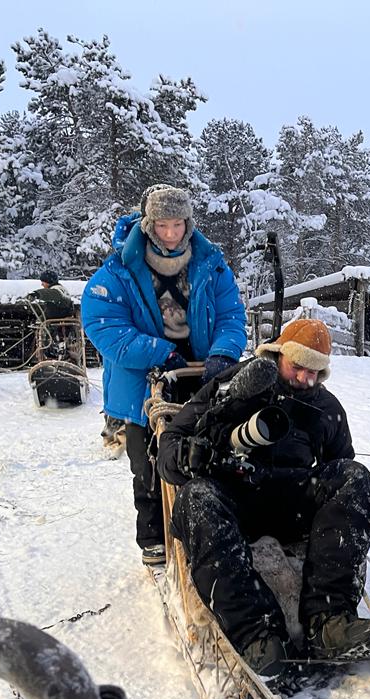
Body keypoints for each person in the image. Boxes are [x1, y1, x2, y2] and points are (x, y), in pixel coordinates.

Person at [156, 318, 370, 686]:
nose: (305, 380)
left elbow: (341, 465)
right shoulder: (231, 385)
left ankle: (328, 622)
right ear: (278, 354)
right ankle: (257, 636)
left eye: (315, 373)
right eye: (297, 367)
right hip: (234, 498)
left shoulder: (327, 408)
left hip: (291, 502)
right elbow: (170, 443)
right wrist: (186, 456)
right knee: (195, 498)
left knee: (354, 477)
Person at [81, 184, 247, 566]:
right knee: (148, 461)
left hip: (202, 372)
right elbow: (104, 324)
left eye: (177, 225)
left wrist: (224, 351)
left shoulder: (211, 264)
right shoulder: (120, 269)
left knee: (210, 451)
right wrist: (159, 352)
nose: (170, 234)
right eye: (162, 226)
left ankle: (209, 526)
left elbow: (230, 316)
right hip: (145, 377)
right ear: (148, 225)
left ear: (188, 224)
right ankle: (153, 536)